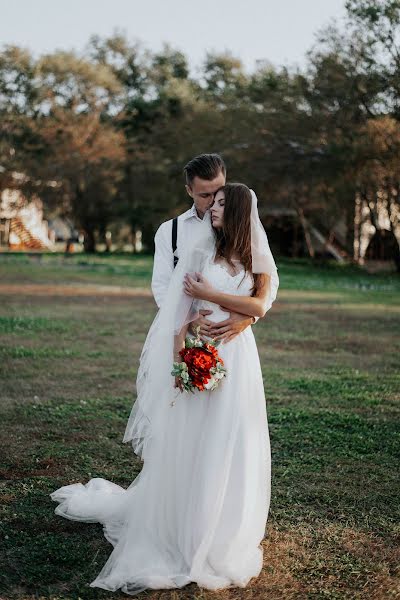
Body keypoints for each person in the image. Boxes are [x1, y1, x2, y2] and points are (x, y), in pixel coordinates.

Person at [50, 182, 279, 595]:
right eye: (212, 200)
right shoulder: (199, 250)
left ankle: (223, 530)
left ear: (241, 211)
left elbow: (260, 305)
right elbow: (179, 313)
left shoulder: (254, 256)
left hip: (239, 356)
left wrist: (217, 299)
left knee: (231, 439)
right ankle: (183, 527)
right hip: (200, 350)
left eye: (223, 203)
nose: (213, 208)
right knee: (194, 439)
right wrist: (181, 360)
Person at [152, 153, 257, 343]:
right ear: (189, 191)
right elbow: (162, 286)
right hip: (187, 337)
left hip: (234, 338)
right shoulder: (170, 231)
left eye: (218, 192)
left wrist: (249, 318)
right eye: (204, 195)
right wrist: (188, 320)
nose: (212, 201)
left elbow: (267, 283)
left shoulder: (245, 228)